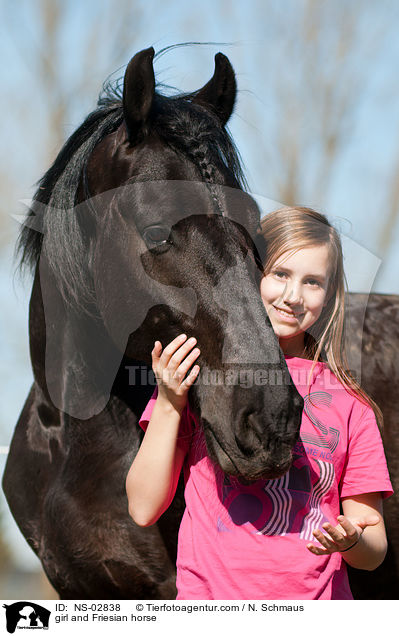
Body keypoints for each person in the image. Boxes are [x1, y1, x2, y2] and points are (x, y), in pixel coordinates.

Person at [125, 206, 393, 600]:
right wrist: (169, 401)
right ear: (248, 276)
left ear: (330, 294)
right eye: (280, 275)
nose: (293, 296)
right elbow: (143, 507)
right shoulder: (200, 378)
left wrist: (353, 539)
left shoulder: (351, 403)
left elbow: (373, 551)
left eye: (313, 282)